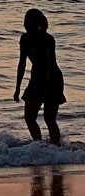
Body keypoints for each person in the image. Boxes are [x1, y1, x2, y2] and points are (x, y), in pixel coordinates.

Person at [14, 8, 64, 146]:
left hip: (52, 78)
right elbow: (22, 63)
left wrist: (47, 88)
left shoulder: (48, 39)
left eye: (28, 21)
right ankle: (38, 146)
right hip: (36, 78)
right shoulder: (24, 38)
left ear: (35, 23)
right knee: (29, 117)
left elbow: (49, 64)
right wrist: (17, 88)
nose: (25, 24)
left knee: (49, 118)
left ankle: (56, 150)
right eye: (25, 21)